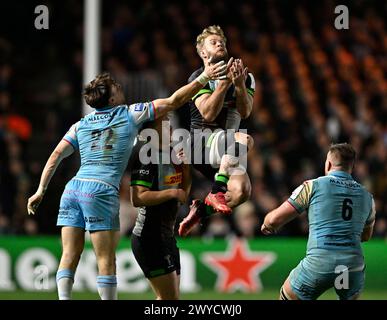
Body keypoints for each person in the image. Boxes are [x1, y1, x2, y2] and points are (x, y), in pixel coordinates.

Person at [26, 60, 228, 300]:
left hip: (73, 189)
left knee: (69, 254)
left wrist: (40, 189)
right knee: (106, 260)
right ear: (111, 100)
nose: (120, 88)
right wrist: (204, 77)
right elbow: (174, 101)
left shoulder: (80, 124)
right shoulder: (130, 113)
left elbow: (57, 154)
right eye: (116, 88)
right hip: (100, 190)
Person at [261, 143, 376, 300]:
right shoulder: (367, 197)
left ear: (328, 163)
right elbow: (366, 236)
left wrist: (267, 223)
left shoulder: (313, 186)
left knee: (287, 295)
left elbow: (275, 219)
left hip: (319, 264)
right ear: (352, 167)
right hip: (351, 267)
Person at [178, 25, 255, 237]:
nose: (220, 43)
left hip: (225, 151)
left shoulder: (245, 76)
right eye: (213, 42)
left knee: (242, 192)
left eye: (222, 41)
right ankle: (216, 190)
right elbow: (208, 115)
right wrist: (223, 85)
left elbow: (245, 111)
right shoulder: (198, 78)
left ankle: (201, 211)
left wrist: (238, 85)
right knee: (244, 138)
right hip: (200, 144)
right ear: (203, 52)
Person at [130, 115, 190, 300]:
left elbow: (183, 194)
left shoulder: (172, 155)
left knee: (169, 299)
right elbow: (137, 197)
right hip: (149, 237)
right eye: (164, 124)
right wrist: (170, 193)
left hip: (166, 236)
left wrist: (186, 167)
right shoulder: (146, 156)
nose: (170, 126)